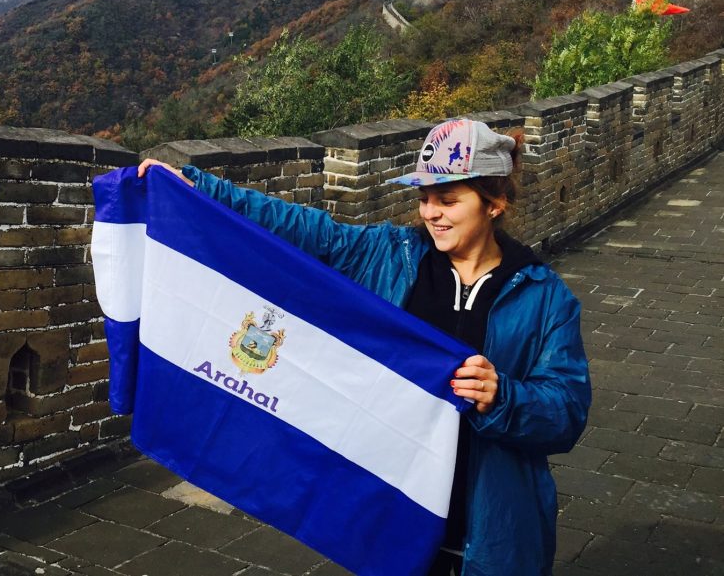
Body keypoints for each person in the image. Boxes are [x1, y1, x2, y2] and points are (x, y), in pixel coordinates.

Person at [138, 117, 591, 576]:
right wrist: (195, 189)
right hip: (396, 515)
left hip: (493, 526)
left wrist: (503, 397)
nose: (430, 213)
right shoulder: (390, 256)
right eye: (424, 199)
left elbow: (567, 412)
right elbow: (304, 229)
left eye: (448, 200)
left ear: (494, 204)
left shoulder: (543, 297)